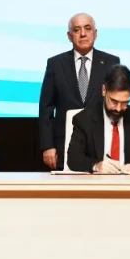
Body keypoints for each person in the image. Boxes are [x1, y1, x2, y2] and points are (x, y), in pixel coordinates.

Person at [38, 13, 121, 170]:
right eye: (77, 30)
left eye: (87, 28)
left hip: (102, 144)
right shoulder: (55, 64)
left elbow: (118, 104)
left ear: (95, 33)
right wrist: (48, 145)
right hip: (64, 146)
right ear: (69, 36)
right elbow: (46, 108)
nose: (83, 34)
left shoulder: (111, 62)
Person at [66, 64, 130, 174]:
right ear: (104, 90)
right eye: (114, 101)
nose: (119, 108)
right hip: (96, 182)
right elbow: (74, 159)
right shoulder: (84, 119)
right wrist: (97, 166)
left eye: (125, 103)